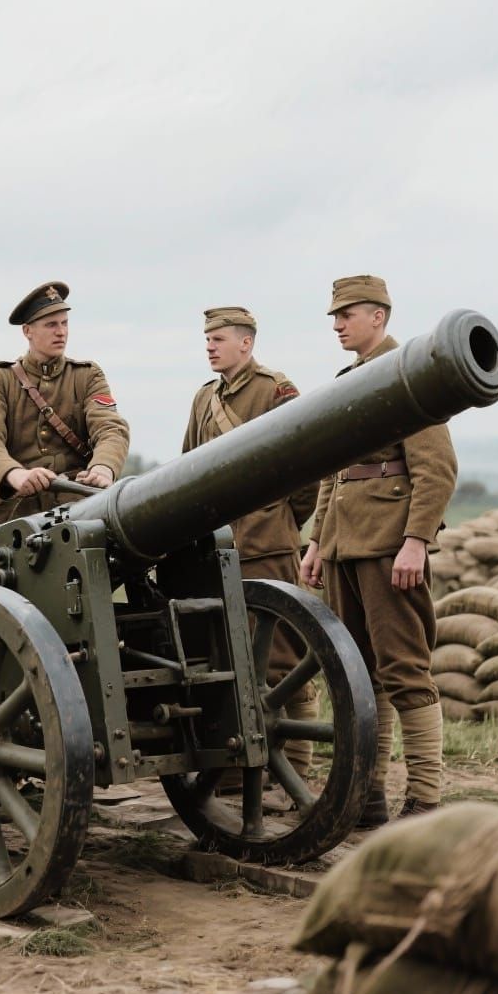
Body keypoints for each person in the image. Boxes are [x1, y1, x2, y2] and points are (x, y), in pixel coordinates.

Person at [300, 275, 457, 825]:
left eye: (347, 314)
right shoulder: (350, 381)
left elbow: (437, 470)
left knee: (405, 670)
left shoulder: (409, 376)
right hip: (346, 546)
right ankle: (368, 797)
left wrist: (416, 541)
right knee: (361, 674)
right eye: (335, 316)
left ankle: (425, 803)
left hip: (391, 546)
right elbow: (333, 471)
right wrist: (318, 539)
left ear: (379, 317)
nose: (338, 324)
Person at [182, 306, 319, 796]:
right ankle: (242, 764)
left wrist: (280, 521)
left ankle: (296, 767)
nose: (211, 346)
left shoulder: (274, 390)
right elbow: (187, 470)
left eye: (219, 338)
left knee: (281, 661)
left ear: (246, 342)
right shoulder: (204, 399)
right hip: (218, 546)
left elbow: (307, 468)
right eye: (208, 339)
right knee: (230, 658)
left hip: (266, 545)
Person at [0, 281, 129, 532]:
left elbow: (110, 428)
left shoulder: (87, 376)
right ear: (27, 331)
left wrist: (102, 468)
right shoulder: (0, 379)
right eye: (51, 325)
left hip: (78, 514)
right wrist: (13, 475)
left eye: (64, 323)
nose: (61, 332)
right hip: (12, 514)